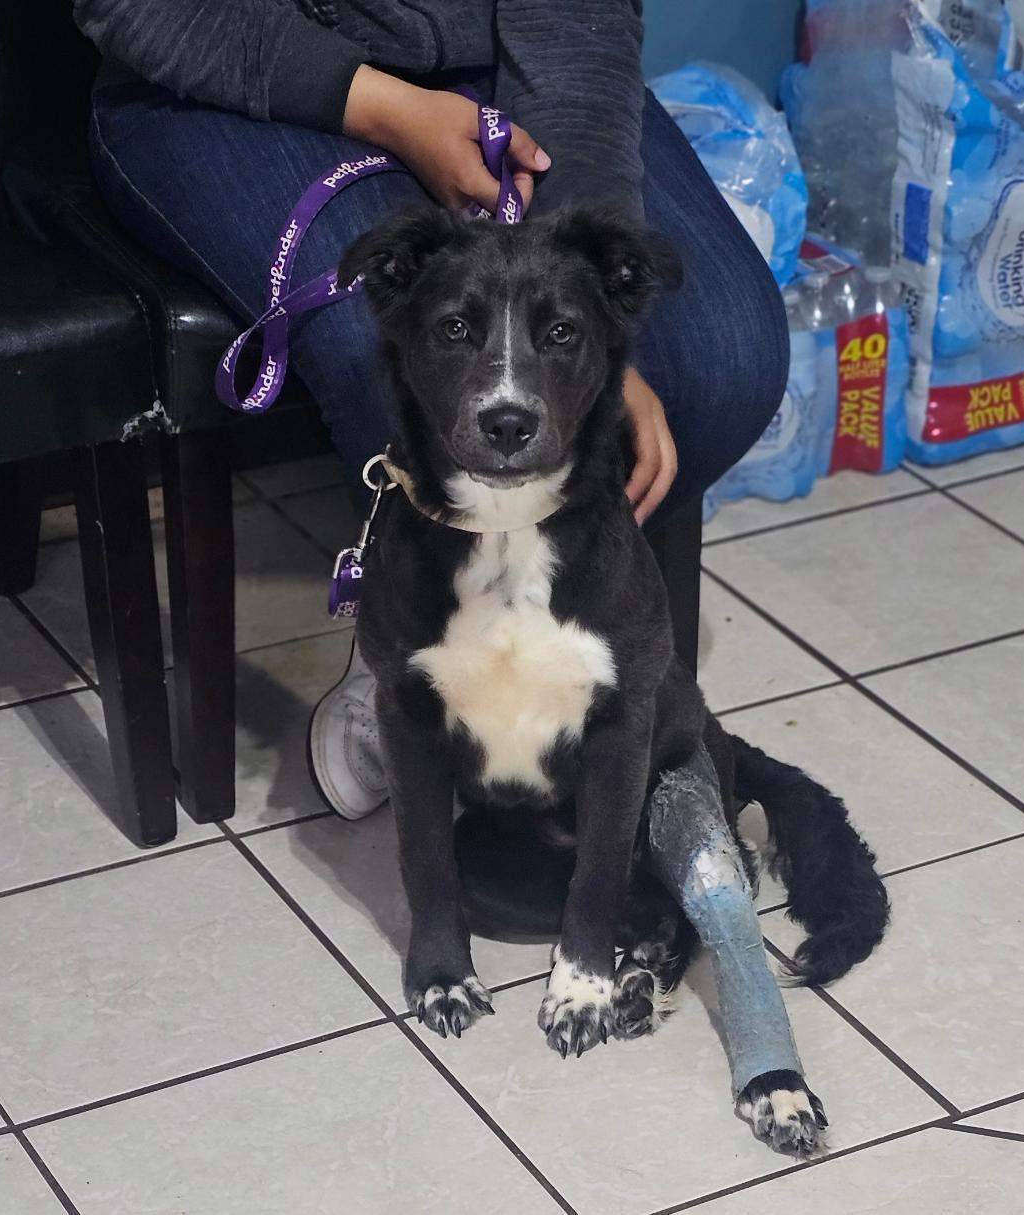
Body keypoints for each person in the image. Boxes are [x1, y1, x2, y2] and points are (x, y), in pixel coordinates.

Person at [76, 0, 788, 819]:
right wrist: (388, 110)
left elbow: (576, 23)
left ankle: (579, 657)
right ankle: (416, 640)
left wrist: (591, 340)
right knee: (390, 354)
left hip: (491, 61)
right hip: (217, 73)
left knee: (726, 359)